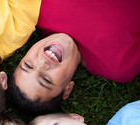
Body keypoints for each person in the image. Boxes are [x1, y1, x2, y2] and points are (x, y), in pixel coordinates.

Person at [8, 0, 140, 115]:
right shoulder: (119, 66)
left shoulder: (39, 9)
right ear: (67, 89)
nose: (42, 63)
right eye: (46, 79)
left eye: (28, 65)